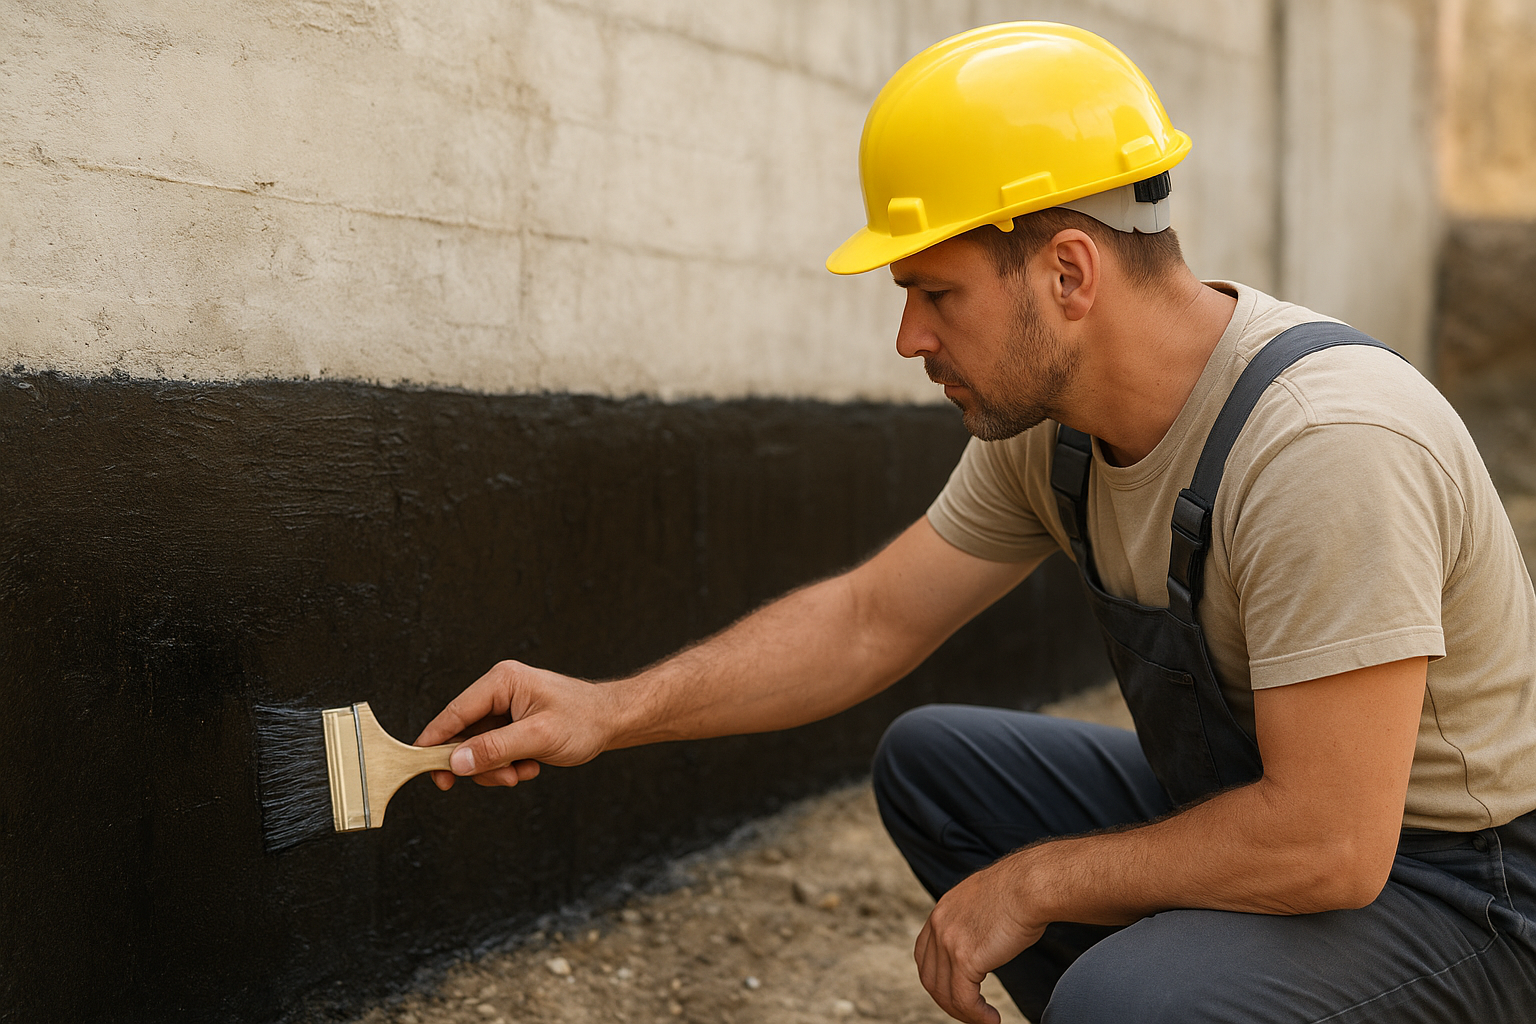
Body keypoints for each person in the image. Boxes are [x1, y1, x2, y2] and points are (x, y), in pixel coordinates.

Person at [416, 22, 1536, 1023]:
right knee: (936, 766)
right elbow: (865, 620)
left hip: (1461, 887)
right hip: (1277, 814)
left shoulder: (1320, 445)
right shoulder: (1047, 435)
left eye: (935, 292)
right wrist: (609, 711)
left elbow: (1332, 844)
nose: (908, 337)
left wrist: (1034, 883)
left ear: (1067, 271)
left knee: (1123, 998)